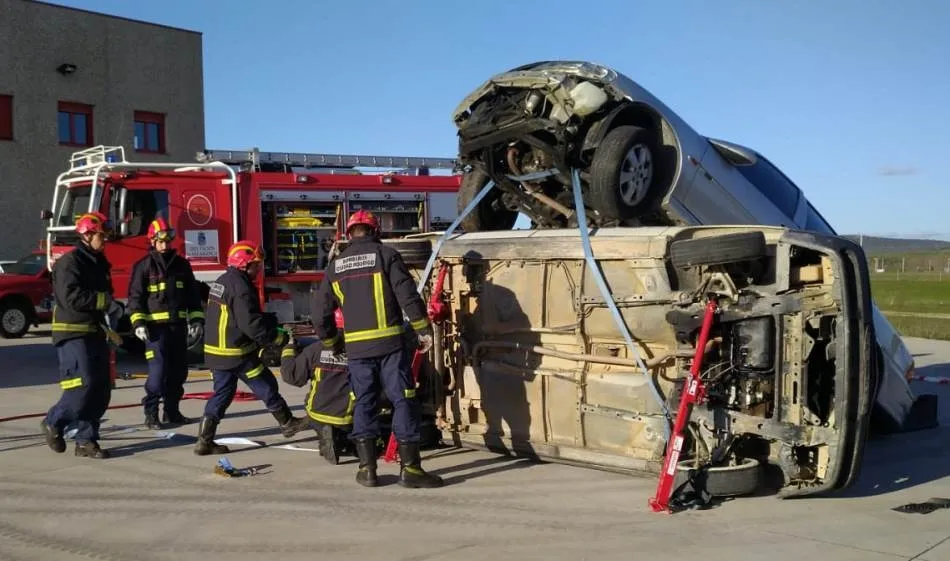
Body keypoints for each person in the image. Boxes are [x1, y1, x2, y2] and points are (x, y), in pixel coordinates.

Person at [310, 209, 442, 488]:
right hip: (391, 347)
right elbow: (407, 294)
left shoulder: (335, 266)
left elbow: (320, 314)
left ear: (349, 234)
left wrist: (333, 343)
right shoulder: (386, 255)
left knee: (364, 402)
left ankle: (367, 469)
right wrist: (422, 329)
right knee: (403, 399)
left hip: (357, 351)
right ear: (375, 231)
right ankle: (411, 469)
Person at [194, 240, 310, 456]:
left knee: (222, 394)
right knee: (265, 383)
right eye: (255, 264)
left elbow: (239, 316)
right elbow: (249, 323)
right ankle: (287, 423)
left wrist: (268, 321)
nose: (259, 268)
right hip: (236, 354)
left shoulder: (224, 280)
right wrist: (275, 338)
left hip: (218, 353)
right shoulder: (241, 286)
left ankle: (204, 441)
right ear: (243, 264)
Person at [41, 212, 123, 459]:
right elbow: (71, 298)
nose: (105, 239)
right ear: (87, 234)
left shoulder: (99, 263)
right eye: (101, 235)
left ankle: (86, 440)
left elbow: (104, 297)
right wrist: (106, 302)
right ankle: (54, 421)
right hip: (72, 333)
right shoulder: (71, 262)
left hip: (95, 332)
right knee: (83, 384)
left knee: (100, 389)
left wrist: (114, 313)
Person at [127, 217, 205, 429]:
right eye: (160, 241)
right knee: (158, 374)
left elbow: (192, 296)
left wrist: (197, 319)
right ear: (152, 241)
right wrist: (138, 323)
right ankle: (151, 414)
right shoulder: (143, 266)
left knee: (178, 372)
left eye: (167, 240)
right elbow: (135, 298)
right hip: (155, 332)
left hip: (177, 329)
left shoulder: (182, 265)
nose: (164, 245)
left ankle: (172, 412)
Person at [279, 308, 355, 465]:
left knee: (319, 418)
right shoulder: (360, 350)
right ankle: (340, 440)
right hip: (348, 417)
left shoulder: (315, 349)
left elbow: (292, 376)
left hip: (317, 413)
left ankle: (326, 436)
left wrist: (289, 349)